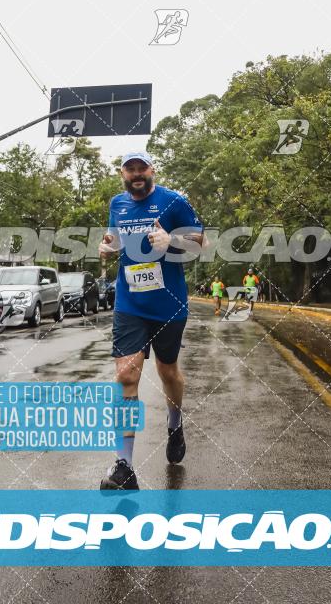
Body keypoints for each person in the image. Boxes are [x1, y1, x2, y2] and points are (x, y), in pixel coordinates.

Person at [98, 151, 205, 490]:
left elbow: (201, 241)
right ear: (122, 174)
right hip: (129, 303)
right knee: (126, 376)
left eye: (141, 167)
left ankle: (175, 424)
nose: (136, 174)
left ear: (152, 170)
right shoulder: (117, 203)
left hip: (169, 304)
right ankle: (124, 466)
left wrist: (170, 240)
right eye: (130, 169)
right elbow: (116, 237)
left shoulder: (174, 202)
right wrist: (108, 246)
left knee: (167, 371)